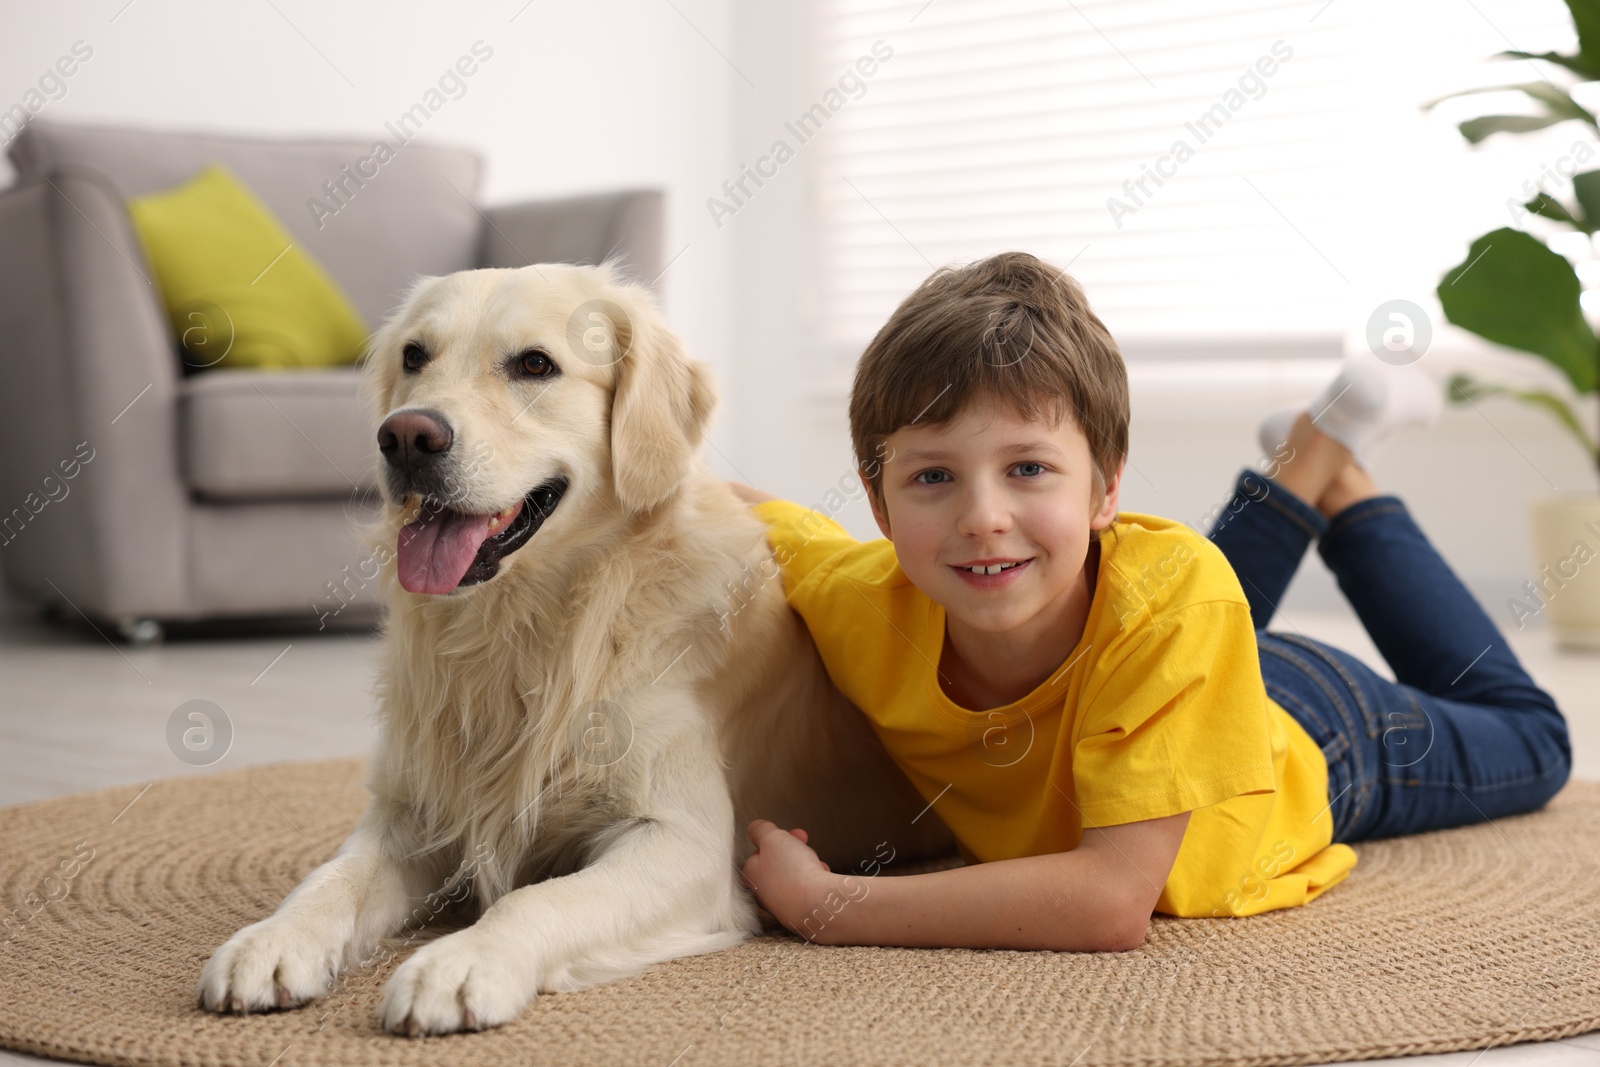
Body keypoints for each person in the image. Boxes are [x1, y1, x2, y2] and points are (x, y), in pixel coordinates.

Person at [729, 251, 1571, 953]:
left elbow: (1108, 900)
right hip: (1162, 656)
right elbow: (737, 507)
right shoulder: (856, 592)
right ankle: (1313, 454)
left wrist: (826, 905)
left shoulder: (1178, 602)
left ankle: (1337, 480)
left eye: (1027, 467)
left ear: (1107, 490)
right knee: (1160, 591)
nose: (982, 517)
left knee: (1535, 740)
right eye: (933, 476)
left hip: (1312, 730)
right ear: (879, 508)